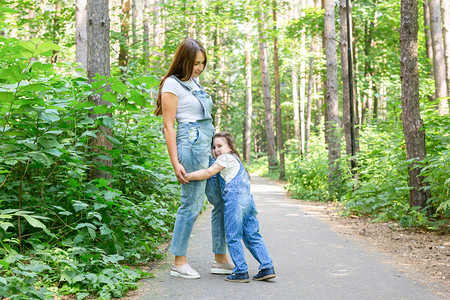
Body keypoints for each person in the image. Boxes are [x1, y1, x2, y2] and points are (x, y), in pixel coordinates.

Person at [154, 38, 233, 279]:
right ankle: (179, 262)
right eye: (195, 63)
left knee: (219, 199)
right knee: (191, 203)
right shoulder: (171, 84)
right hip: (189, 144)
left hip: (207, 145)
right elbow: (168, 126)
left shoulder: (194, 82)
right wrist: (175, 162)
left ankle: (220, 258)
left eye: (202, 63)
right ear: (184, 61)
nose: (199, 68)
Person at [185, 132, 276, 283]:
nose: (216, 150)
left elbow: (208, 172)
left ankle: (241, 271)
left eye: (220, 146)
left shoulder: (226, 158)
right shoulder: (236, 161)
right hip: (248, 202)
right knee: (252, 235)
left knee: (233, 236)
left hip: (235, 202)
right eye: (213, 147)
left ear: (230, 147)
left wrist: (187, 176)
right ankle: (267, 266)